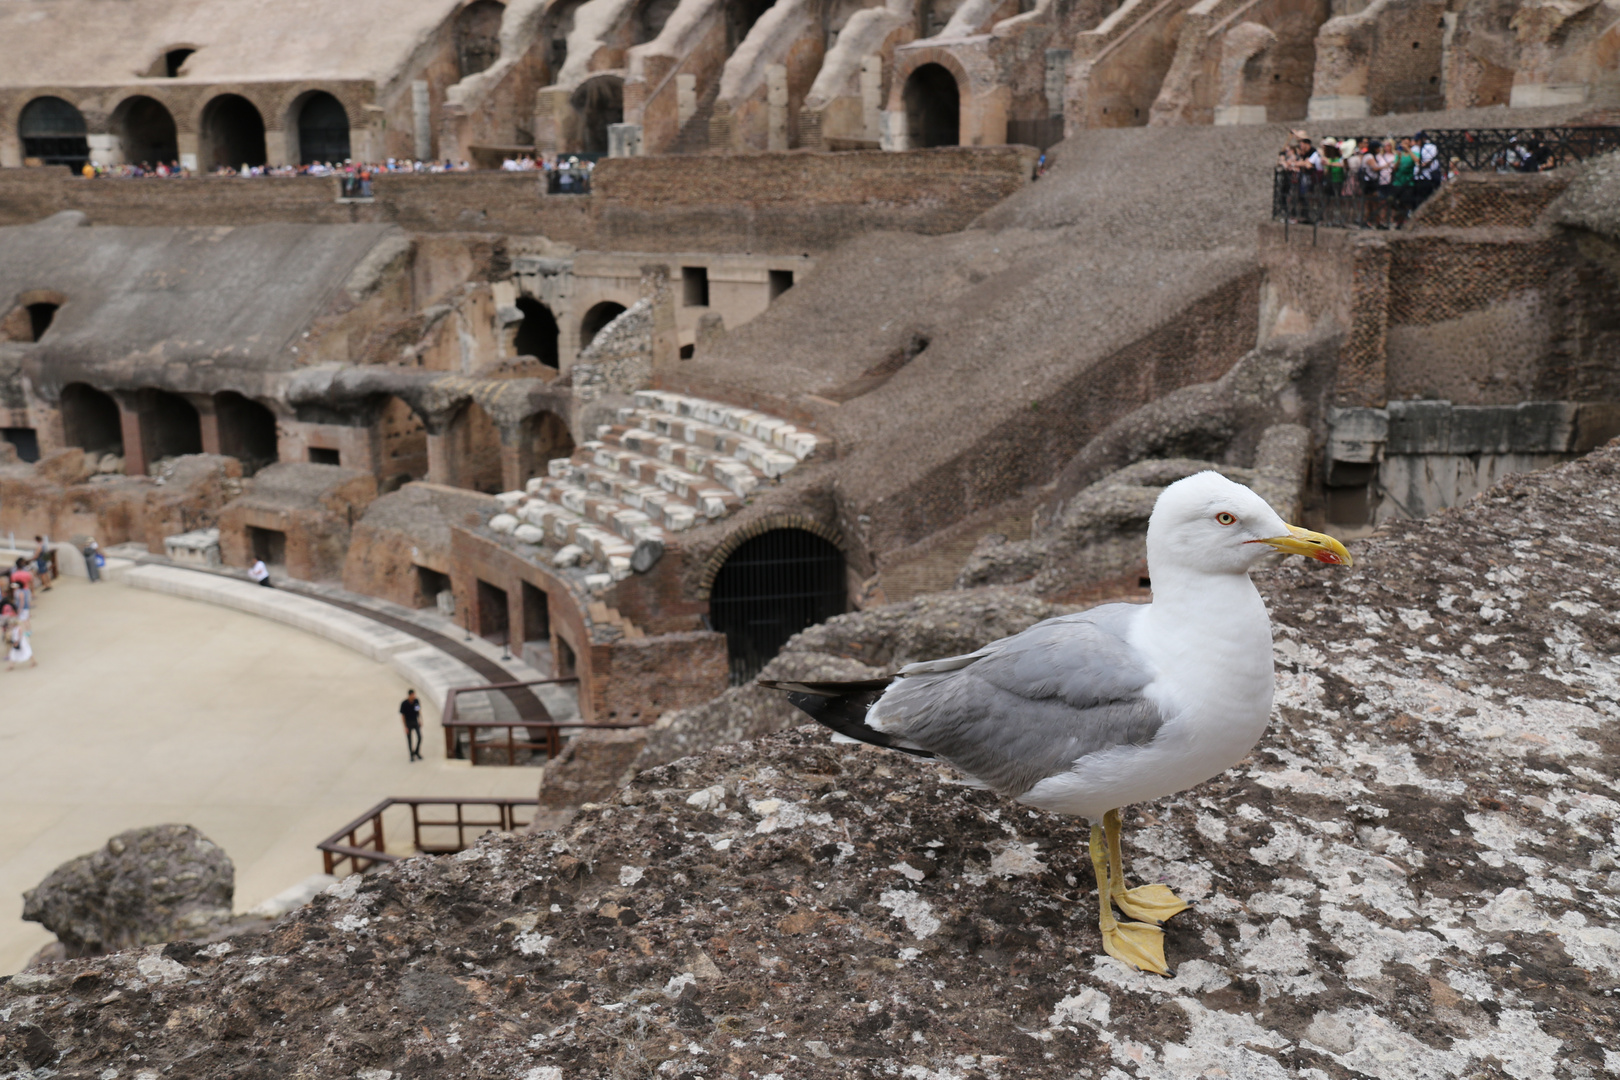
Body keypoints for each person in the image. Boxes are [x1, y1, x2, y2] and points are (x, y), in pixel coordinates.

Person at [400, 689, 423, 761]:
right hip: (408, 723)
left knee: (419, 737)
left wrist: (420, 720)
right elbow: (403, 716)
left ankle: (416, 752)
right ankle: (411, 755)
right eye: (412, 695)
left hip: (415, 721)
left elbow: (418, 711)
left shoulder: (416, 701)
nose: (414, 696)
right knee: (409, 740)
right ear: (409, 695)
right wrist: (405, 727)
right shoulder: (404, 704)